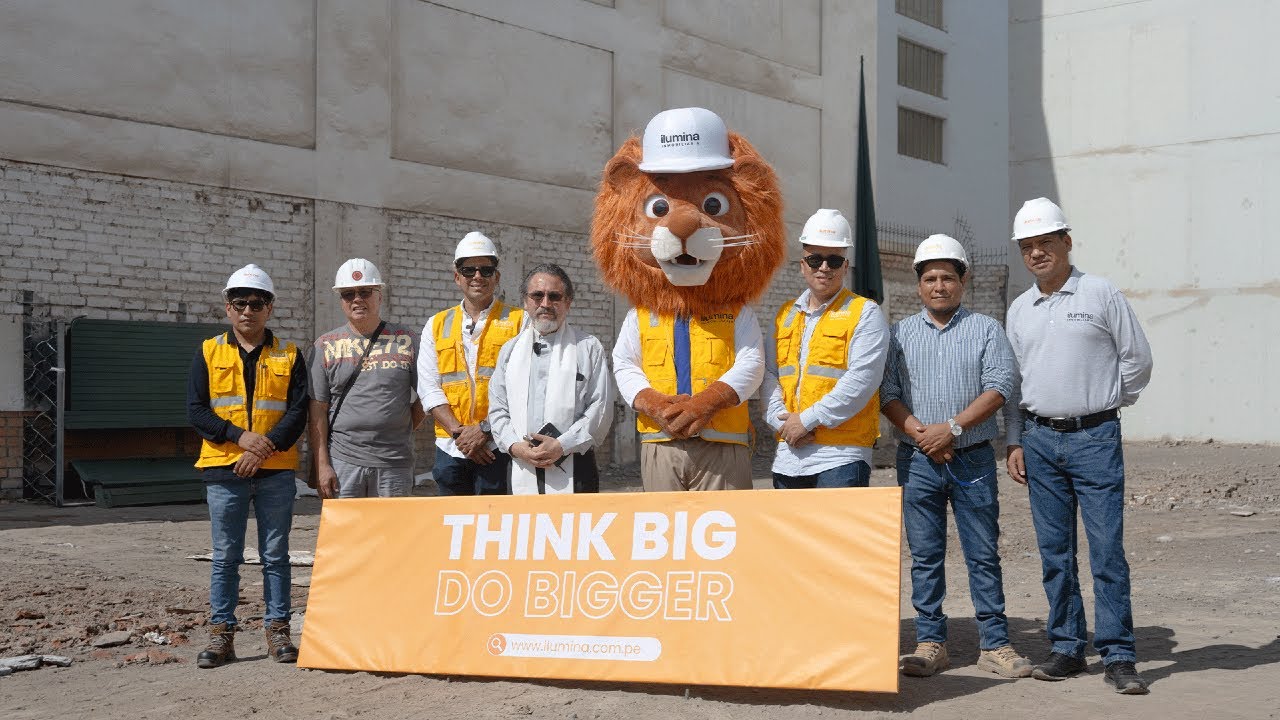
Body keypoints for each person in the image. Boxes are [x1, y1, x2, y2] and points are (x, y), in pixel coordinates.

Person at [1005, 197, 1154, 694]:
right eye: (1027, 247)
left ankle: (1117, 654)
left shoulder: (1100, 293)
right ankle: (1067, 647)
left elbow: (1137, 361)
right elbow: (1015, 380)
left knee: (1107, 549)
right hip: (1039, 439)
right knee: (1055, 551)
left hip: (1094, 439)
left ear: (1066, 242)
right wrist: (1016, 441)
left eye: (1045, 243)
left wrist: (1106, 407)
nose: (1037, 254)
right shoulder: (1021, 309)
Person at [880, 235, 1032, 679]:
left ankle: (995, 645)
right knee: (925, 556)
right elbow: (887, 393)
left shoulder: (986, 330)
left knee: (982, 553)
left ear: (964, 281)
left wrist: (953, 429)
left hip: (972, 460)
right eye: (930, 278)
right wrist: (920, 433)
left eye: (948, 277)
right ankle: (931, 644)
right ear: (918, 285)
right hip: (917, 461)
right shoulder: (899, 334)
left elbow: (1001, 386)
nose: (939, 286)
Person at [186, 264, 308, 668]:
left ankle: (278, 634)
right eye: (240, 303)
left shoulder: (289, 354)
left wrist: (263, 448)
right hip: (223, 469)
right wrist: (240, 439)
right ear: (227, 308)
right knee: (226, 556)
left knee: (276, 554)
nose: (248, 311)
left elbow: (297, 412)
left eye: (257, 303)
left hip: (274, 469)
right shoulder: (208, 351)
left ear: (269, 308)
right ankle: (222, 637)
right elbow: (197, 410)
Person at [762, 209, 888, 489]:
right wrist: (781, 423)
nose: (824, 267)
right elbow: (770, 374)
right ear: (802, 264)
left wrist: (805, 421)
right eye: (815, 259)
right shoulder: (785, 315)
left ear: (846, 266)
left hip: (841, 458)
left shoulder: (865, 313)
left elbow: (862, 380)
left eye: (834, 260)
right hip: (789, 454)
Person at [487, 264, 613, 494]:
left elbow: (600, 408)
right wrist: (516, 446)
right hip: (520, 465)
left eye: (554, 296)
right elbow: (497, 409)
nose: (545, 304)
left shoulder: (587, 347)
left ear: (568, 302)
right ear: (526, 301)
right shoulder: (510, 350)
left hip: (575, 466)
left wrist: (562, 445)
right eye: (537, 295)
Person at [417, 232, 525, 495]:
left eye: (486, 270)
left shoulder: (521, 322)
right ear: (457, 277)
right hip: (451, 449)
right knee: (454, 531)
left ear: (496, 277)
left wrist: (484, 432)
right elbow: (429, 389)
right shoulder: (436, 324)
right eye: (468, 270)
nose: (477, 276)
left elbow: (524, 388)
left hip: (500, 447)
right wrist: (461, 435)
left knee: (496, 529)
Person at [309, 259, 424, 499]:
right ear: (341, 301)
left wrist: (399, 427)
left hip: (395, 463)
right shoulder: (325, 345)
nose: (357, 299)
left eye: (365, 292)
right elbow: (318, 409)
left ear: (379, 296)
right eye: (348, 294)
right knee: (348, 535)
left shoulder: (407, 339)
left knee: (392, 535)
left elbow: (426, 395)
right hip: (343, 461)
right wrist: (322, 465)